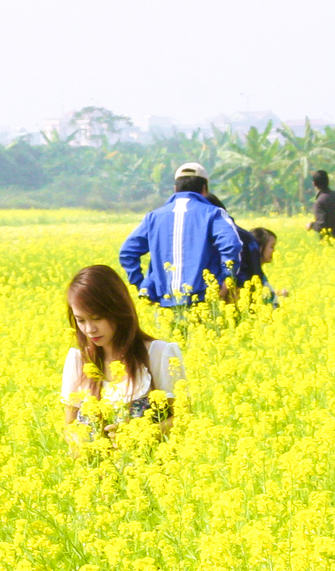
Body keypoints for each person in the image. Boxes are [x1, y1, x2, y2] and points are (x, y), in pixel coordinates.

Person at [61, 265, 184, 440]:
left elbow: (183, 417)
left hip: (150, 464)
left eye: (97, 318)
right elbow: (69, 427)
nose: (89, 329)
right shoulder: (78, 359)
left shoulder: (158, 353)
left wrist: (140, 436)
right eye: (81, 320)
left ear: (117, 309)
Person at [118, 163, 242, 307]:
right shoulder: (213, 213)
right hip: (204, 299)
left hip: (164, 301)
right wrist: (227, 279)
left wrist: (142, 286)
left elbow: (127, 252)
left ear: (175, 189)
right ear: (205, 189)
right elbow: (232, 245)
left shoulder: (153, 217)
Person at [308, 170, 335, 237]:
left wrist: (311, 225)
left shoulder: (320, 201)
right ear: (328, 182)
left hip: (328, 239)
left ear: (314, 184)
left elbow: (321, 225)